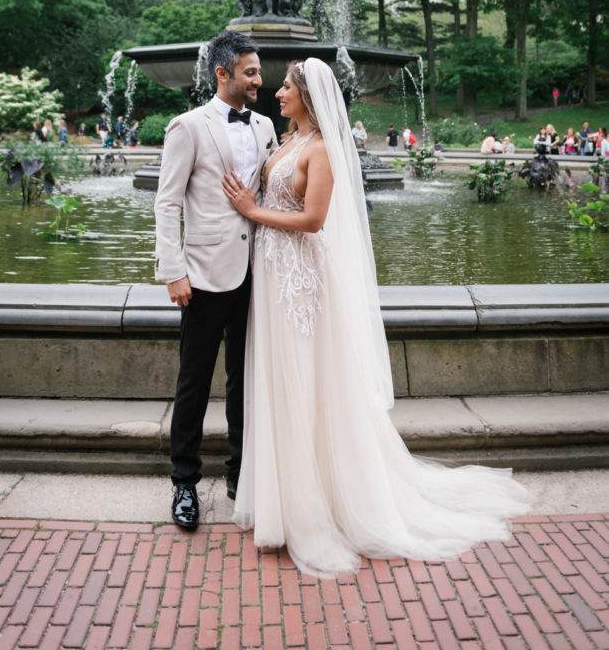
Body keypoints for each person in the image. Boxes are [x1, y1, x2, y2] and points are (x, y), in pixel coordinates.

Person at [222, 59, 529, 578]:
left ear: (308, 97)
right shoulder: (285, 142)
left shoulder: (320, 150)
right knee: (277, 384)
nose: (278, 93)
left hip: (300, 287)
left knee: (303, 386)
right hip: (273, 282)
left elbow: (314, 220)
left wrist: (253, 213)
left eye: (288, 88)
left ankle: (311, 508)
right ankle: (278, 502)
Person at [154, 31, 278, 531]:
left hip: (260, 274)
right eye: (249, 71)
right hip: (202, 275)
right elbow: (167, 202)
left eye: (259, 70)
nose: (259, 79)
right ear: (222, 73)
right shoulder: (187, 127)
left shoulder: (267, 124)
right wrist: (173, 270)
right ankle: (184, 482)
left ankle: (239, 473)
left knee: (246, 381)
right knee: (194, 380)